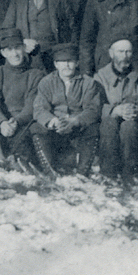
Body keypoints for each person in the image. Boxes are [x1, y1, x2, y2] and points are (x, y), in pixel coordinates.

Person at [30, 44, 102, 177]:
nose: (66, 66)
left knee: (94, 128)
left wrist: (74, 121)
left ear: (77, 63)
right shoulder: (46, 82)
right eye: (62, 62)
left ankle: (82, 172)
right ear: (56, 64)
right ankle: (49, 172)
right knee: (36, 127)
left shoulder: (88, 83)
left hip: (78, 129)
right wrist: (53, 121)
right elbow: (39, 108)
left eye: (70, 61)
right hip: (55, 130)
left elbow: (92, 110)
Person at [0, 31, 45, 170]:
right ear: (3, 53)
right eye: (9, 49)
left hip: (22, 123)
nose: (15, 54)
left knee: (30, 131)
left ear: (24, 48)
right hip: (2, 125)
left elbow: (32, 105)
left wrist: (17, 121)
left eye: (18, 48)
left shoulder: (36, 75)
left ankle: (20, 163)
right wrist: (2, 122)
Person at [2, 0, 77, 69]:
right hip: (28, 54)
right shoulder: (18, 0)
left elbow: (73, 29)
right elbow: (8, 29)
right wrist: (23, 41)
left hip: (55, 53)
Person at [95, 38, 138, 181]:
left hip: (135, 120)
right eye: (120, 51)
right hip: (110, 119)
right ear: (111, 53)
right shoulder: (101, 76)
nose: (125, 56)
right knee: (108, 124)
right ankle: (108, 174)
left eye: (128, 51)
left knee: (128, 127)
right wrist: (114, 111)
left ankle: (130, 173)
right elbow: (94, 105)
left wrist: (136, 110)